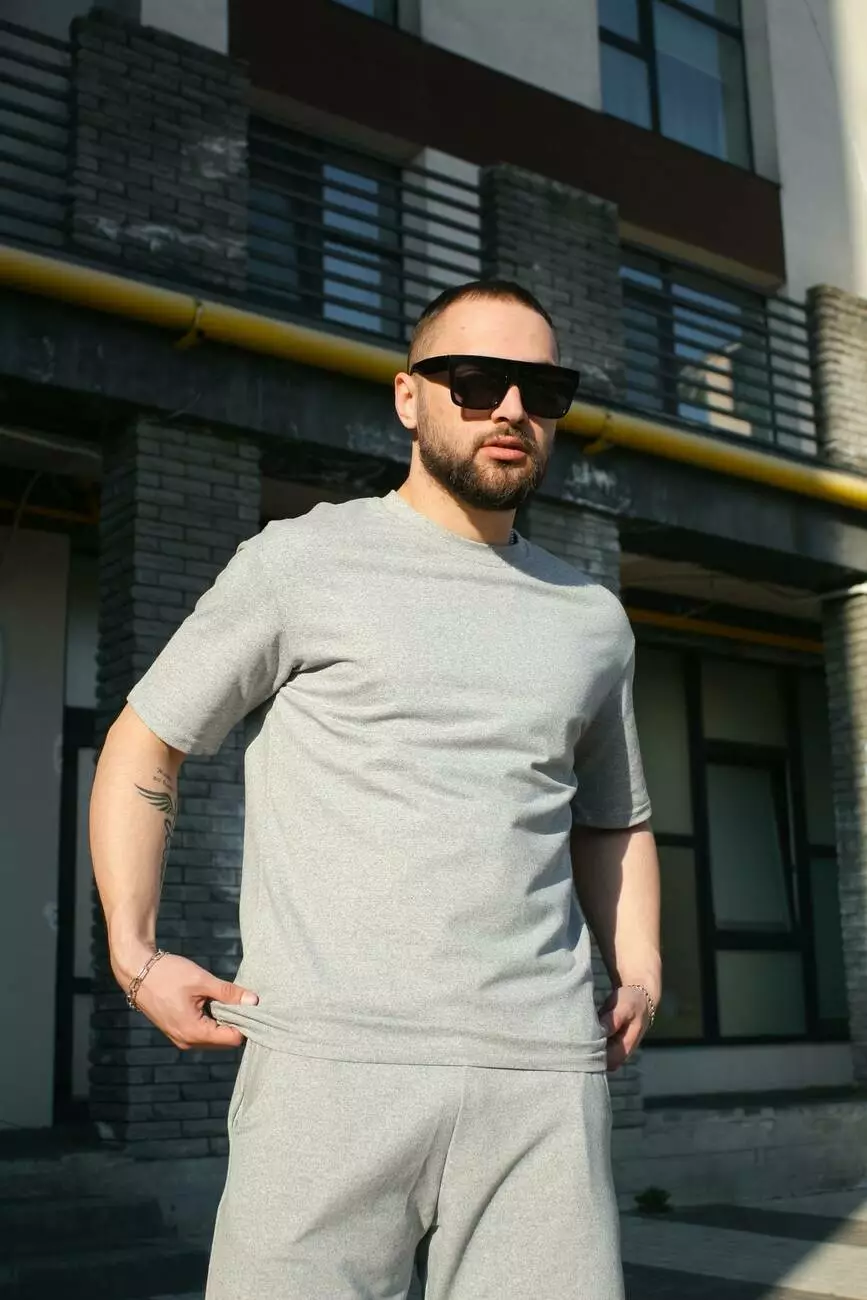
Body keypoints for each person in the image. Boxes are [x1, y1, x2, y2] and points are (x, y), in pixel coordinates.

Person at [90, 279, 661, 1300]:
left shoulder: (591, 617)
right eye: (475, 381)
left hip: (539, 1076)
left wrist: (644, 970)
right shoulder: (302, 562)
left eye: (542, 389)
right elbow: (144, 744)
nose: (511, 410)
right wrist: (133, 957)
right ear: (409, 397)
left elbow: (613, 818)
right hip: (330, 1067)